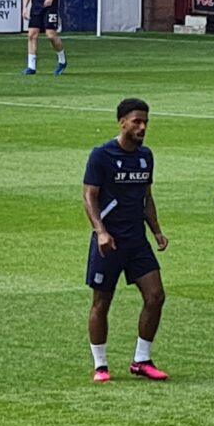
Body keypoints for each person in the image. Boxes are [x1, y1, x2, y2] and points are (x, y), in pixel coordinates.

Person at [83, 99, 169, 383]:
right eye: (136, 121)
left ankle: (142, 360)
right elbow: (89, 196)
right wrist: (101, 231)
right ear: (122, 122)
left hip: (137, 241)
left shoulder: (146, 156)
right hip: (109, 243)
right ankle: (100, 365)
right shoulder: (101, 155)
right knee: (102, 302)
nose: (142, 127)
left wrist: (156, 230)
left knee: (156, 296)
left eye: (145, 122)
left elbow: (147, 197)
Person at [22, 0, 67, 76]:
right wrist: (24, 7)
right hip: (36, 5)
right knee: (32, 34)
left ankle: (62, 61)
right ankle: (31, 67)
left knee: (50, 35)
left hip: (50, 5)